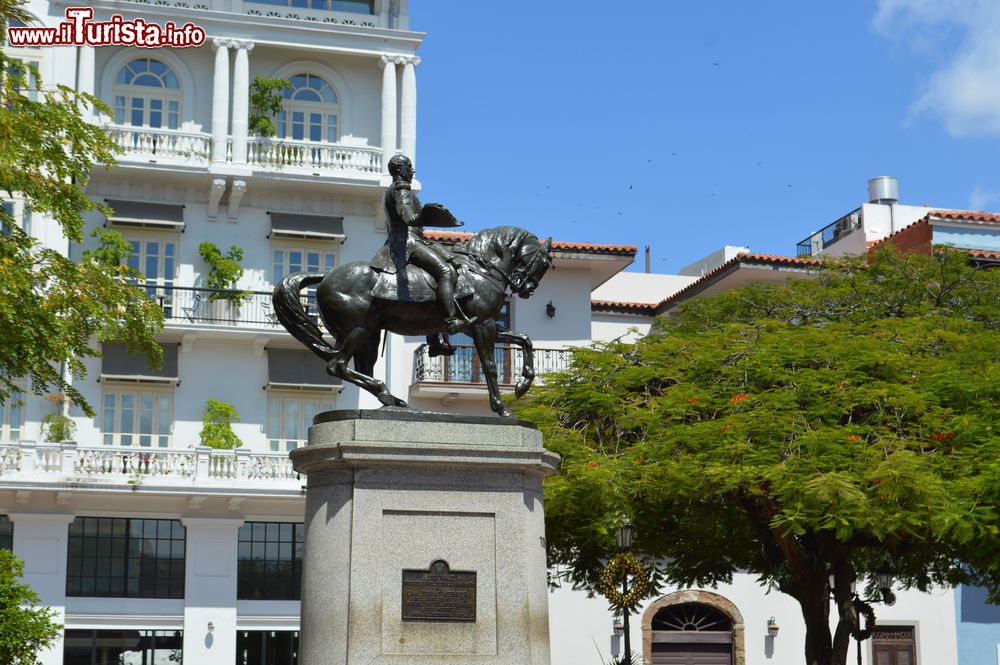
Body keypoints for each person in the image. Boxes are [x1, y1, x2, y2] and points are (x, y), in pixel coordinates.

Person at [370, 154, 474, 354]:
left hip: (412, 240)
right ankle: (451, 321)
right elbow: (407, 215)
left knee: (445, 267)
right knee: (445, 272)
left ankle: (434, 340)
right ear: (400, 170)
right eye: (409, 167)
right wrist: (425, 215)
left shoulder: (391, 191)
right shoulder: (401, 190)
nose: (412, 172)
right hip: (408, 242)